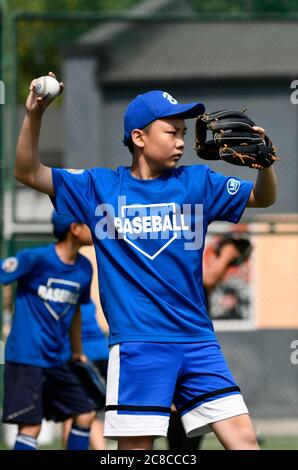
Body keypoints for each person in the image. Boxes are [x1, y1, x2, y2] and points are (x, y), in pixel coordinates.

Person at [14, 73, 277, 450]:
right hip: (140, 344)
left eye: (183, 132)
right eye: (171, 131)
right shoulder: (98, 188)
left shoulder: (197, 181)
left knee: (244, 438)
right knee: (136, 449)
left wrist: (264, 164)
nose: (182, 141)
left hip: (198, 340)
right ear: (138, 138)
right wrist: (35, 115)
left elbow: (263, 199)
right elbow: (27, 171)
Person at [0, 210, 97, 450]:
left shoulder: (84, 268)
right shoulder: (36, 258)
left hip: (58, 359)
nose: (96, 227)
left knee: (84, 414)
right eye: (90, 223)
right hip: (27, 357)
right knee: (31, 427)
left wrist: (77, 351)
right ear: (74, 228)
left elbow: (75, 311)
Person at [167, 233, 252, 450]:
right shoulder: (183, 258)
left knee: (191, 408)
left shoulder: (201, 275)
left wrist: (228, 258)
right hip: (173, 339)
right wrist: (228, 253)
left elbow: (208, 282)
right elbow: (208, 278)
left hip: (191, 339)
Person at [62, 299, 109, 450]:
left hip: (80, 356)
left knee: (73, 416)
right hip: (101, 352)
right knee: (89, 414)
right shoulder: (84, 285)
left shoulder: (63, 293)